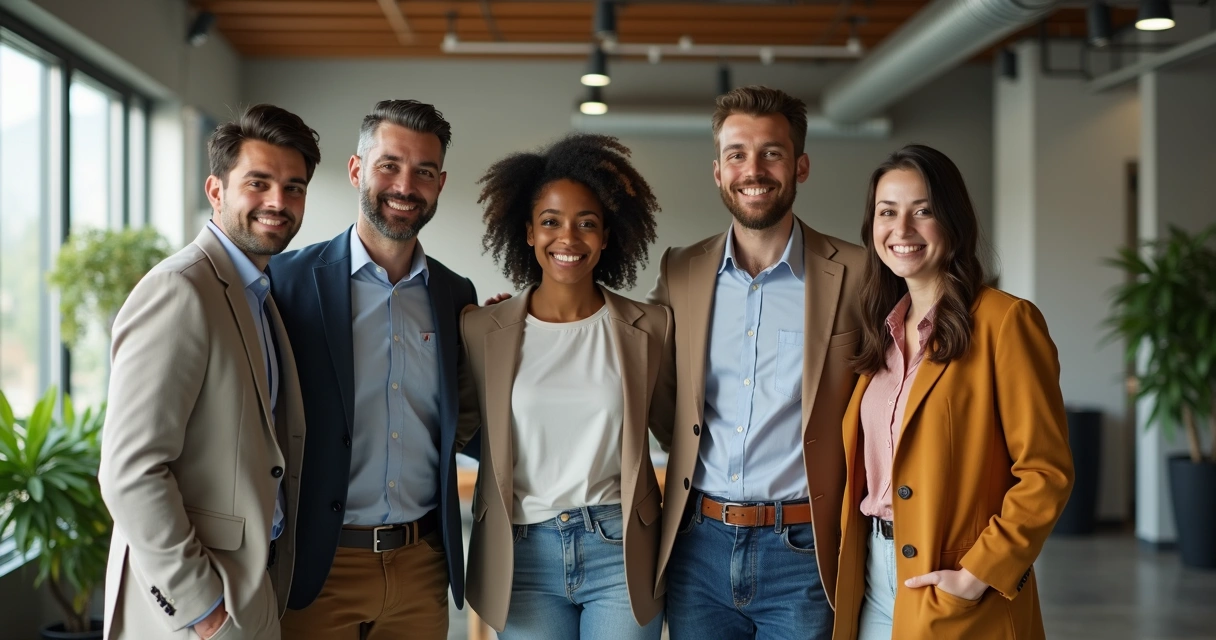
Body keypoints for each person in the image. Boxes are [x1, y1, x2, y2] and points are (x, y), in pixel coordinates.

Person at [648, 85, 866, 640]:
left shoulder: (860, 274)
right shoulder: (680, 271)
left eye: (771, 152)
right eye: (737, 154)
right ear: (718, 171)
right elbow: (647, 378)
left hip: (804, 551)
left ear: (801, 165)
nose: (754, 169)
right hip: (698, 546)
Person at [832, 144, 1074, 640]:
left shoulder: (1006, 323)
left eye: (923, 211)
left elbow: (1045, 472)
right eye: (887, 212)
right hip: (872, 579)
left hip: (952, 582)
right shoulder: (880, 333)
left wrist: (979, 573)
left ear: (954, 221)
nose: (902, 230)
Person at [99, 104, 319, 640]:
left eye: (294, 187)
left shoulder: (257, 294)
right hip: (196, 610)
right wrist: (204, 609)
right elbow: (130, 471)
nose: (278, 202)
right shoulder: (180, 289)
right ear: (216, 190)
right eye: (259, 182)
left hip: (250, 586)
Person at [270, 99, 480, 640]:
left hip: (421, 564)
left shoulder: (457, 295)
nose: (405, 185)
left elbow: (467, 421)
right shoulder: (287, 283)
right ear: (356, 169)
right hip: (319, 565)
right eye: (389, 165)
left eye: (424, 172)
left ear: (440, 182)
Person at [461, 133, 671, 640]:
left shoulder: (651, 327)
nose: (568, 238)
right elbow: (459, 426)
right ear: (529, 232)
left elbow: (680, 431)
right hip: (523, 553)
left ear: (606, 236)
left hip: (619, 550)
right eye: (551, 221)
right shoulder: (481, 329)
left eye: (587, 224)